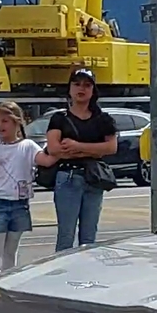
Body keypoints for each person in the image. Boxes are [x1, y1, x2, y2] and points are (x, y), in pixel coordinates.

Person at [39, 69, 119, 251]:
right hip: (68, 177)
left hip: (94, 178)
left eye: (87, 85)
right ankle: (62, 275)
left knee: (89, 237)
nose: (81, 89)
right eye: (76, 84)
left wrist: (77, 146)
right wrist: (93, 150)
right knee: (66, 235)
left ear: (93, 90)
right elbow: (54, 149)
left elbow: (111, 148)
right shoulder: (59, 118)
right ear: (69, 89)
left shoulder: (103, 119)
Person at [0, 101, 40, 280]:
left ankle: (8, 282)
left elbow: (44, 160)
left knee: (10, 252)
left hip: (19, 203)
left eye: (5, 121)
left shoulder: (27, 146)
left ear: (16, 122)